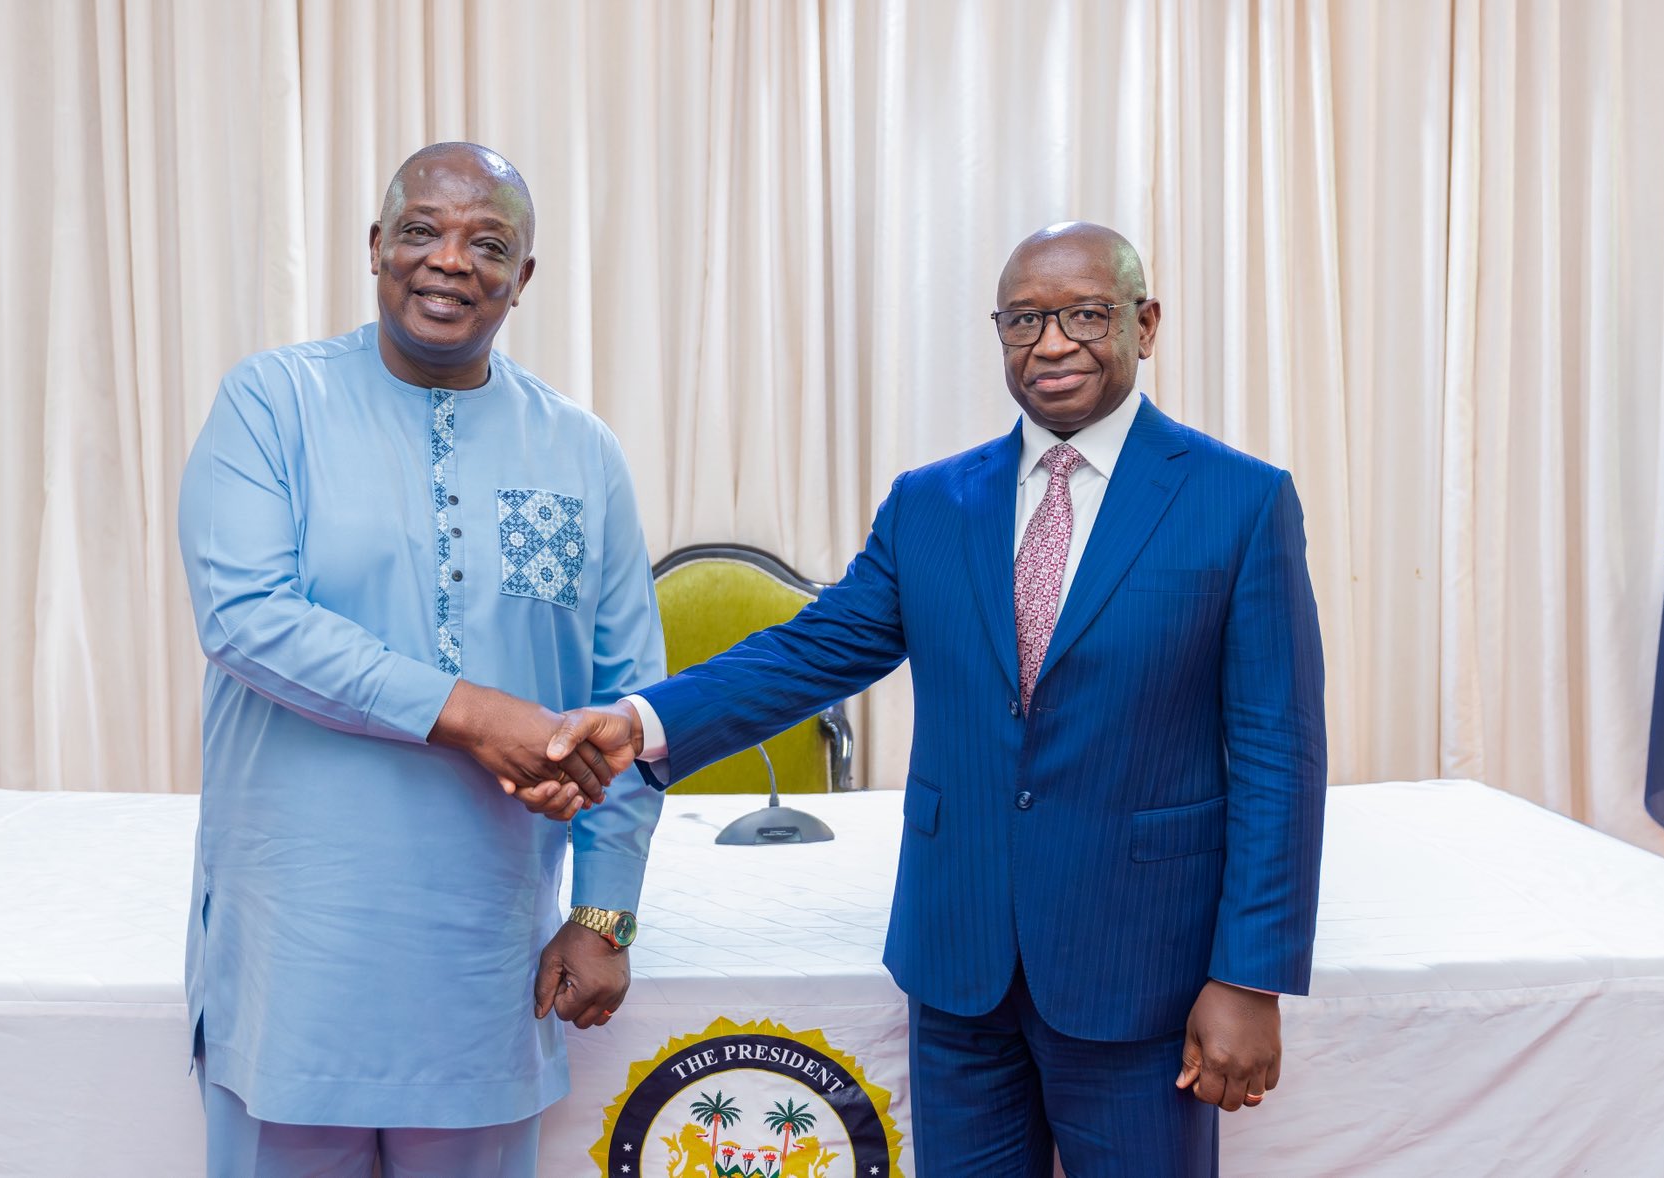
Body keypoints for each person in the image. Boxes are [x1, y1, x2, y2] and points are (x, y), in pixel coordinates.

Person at [550, 222, 1328, 1176]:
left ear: (1146, 324)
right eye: (1024, 320)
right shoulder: (930, 502)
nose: (1052, 343)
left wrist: (1250, 974)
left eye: (1086, 315)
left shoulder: (1238, 501)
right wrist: (640, 723)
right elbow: (815, 649)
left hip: (1140, 968)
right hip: (958, 965)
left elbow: (1279, 755)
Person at [176, 141, 665, 1177]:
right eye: (420, 231)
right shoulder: (272, 403)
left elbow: (629, 703)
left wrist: (604, 911)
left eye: (488, 243)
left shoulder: (581, 450)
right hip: (295, 948)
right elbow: (247, 616)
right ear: (375, 247)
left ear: (522, 277)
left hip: (483, 953)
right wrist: (475, 712)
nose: (450, 261)